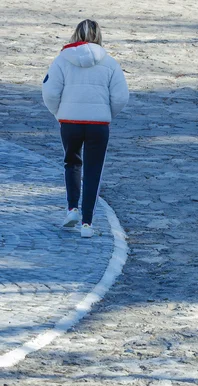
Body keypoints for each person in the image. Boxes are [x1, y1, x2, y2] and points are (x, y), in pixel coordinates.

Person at [42, 19, 129, 238]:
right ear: (99, 36)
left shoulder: (62, 60)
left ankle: (72, 208)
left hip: (69, 123)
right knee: (93, 170)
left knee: (71, 163)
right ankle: (87, 224)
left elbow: (50, 92)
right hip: (98, 125)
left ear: (75, 34)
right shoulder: (110, 63)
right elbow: (120, 97)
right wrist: (107, 115)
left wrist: (59, 114)